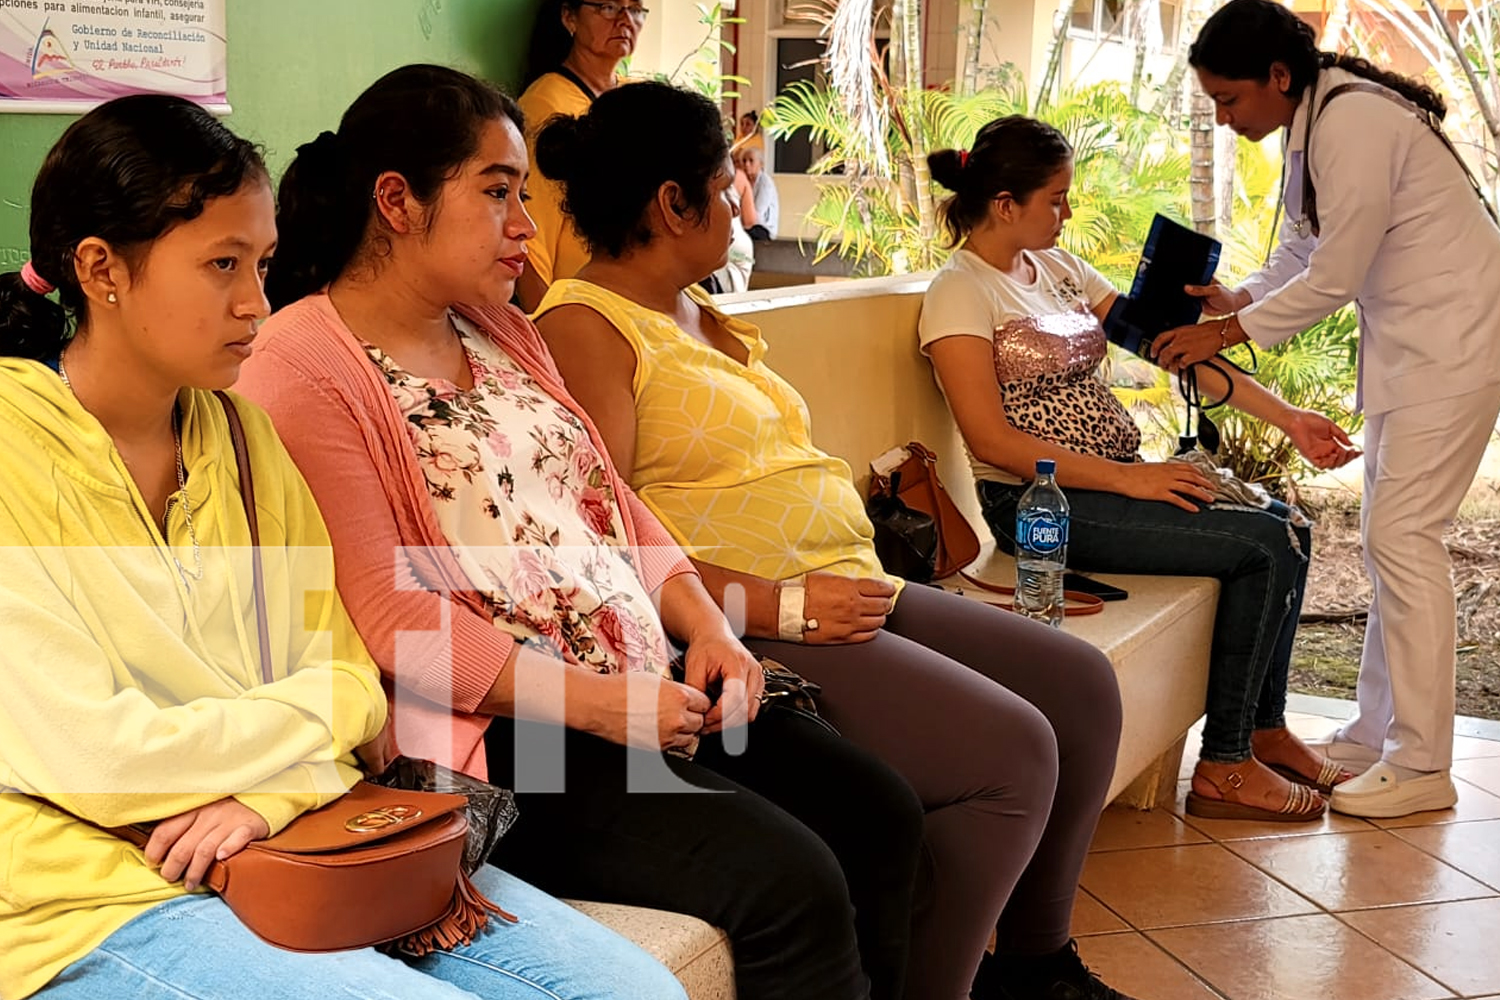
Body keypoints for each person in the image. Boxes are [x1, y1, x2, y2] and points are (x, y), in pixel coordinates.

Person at [239, 64, 924, 1000]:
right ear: (396, 201)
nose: (525, 223)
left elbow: (608, 500)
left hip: (644, 684)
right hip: (518, 735)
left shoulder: (501, 329)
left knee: (877, 811)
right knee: (788, 883)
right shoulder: (303, 364)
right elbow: (387, 615)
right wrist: (600, 708)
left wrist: (707, 624)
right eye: (496, 193)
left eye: (524, 193)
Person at [0, 93, 688, 1000]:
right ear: (101, 269)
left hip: (286, 833)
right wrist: (292, 750)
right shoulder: (14, 453)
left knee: (638, 994)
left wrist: (265, 797)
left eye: (264, 263)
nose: (256, 301)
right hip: (86, 890)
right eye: (221, 265)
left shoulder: (244, 441)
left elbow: (351, 687)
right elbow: (101, 756)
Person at [534, 80, 1134, 1000]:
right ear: (671, 203)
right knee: (1013, 753)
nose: (743, 198)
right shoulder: (585, 329)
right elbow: (603, 540)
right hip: (751, 618)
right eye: (728, 179)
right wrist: (774, 605)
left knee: (1080, 685)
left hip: (846, 584)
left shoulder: (708, 315)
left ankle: (1035, 964)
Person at [918, 114, 1363, 828]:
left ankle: (1263, 728)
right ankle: (1222, 767)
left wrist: (1291, 421)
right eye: (1056, 198)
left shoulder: (1058, 270)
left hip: (1116, 479)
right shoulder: (960, 292)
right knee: (1261, 546)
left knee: (1292, 525)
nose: (1067, 212)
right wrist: (1132, 480)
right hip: (1040, 507)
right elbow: (992, 441)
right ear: (1006, 203)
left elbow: (1172, 351)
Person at [1150, 0, 1500, 819]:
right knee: (1392, 540)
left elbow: (1337, 270)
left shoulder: (1352, 121)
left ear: (1279, 77)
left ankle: (1421, 764)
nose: (1224, 117)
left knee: (1403, 539)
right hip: (1418, 352)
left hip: (1454, 347)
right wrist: (1237, 296)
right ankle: (1379, 733)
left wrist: (1226, 332)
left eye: (1230, 100)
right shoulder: (1320, 120)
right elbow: (1308, 249)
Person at [514, 0, 646, 310]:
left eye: (636, 9)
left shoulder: (637, 100)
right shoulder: (546, 105)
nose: (625, 20)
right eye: (609, 7)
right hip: (579, 309)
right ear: (569, 17)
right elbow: (531, 246)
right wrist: (551, 333)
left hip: (632, 308)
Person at [737, 146, 779, 241]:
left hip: (764, 229)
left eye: (751, 161)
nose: (747, 164)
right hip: (748, 226)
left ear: (761, 164)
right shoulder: (744, 181)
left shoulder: (765, 182)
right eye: (744, 161)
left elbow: (756, 214)